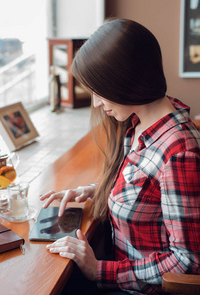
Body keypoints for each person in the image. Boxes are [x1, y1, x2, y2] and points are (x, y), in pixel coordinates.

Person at [40, 19, 200, 294]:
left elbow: (188, 261)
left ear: (125, 81)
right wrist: (91, 190)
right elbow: (147, 192)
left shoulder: (179, 154)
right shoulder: (140, 125)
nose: (96, 103)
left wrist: (99, 270)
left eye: (99, 91)